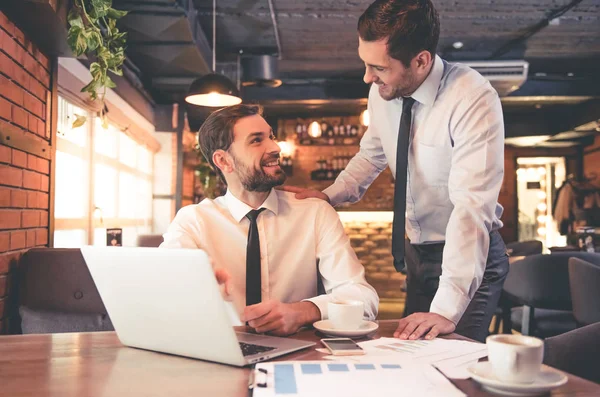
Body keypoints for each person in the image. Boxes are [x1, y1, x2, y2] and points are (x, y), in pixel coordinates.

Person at [284, 0, 509, 342]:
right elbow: (371, 156)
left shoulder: (472, 97)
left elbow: (471, 208)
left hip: (468, 258)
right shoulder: (381, 93)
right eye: (365, 64)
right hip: (419, 253)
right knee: (412, 354)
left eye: (379, 68)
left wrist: (446, 309)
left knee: (451, 361)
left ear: (421, 60)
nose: (368, 78)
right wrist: (329, 195)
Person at [160, 104, 379, 336]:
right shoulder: (193, 221)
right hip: (220, 353)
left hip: (299, 355)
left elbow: (364, 299)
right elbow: (163, 289)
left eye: (271, 137)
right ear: (223, 161)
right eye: (256, 140)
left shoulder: (315, 213)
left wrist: (304, 311)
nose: (275, 147)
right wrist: (189, 283)